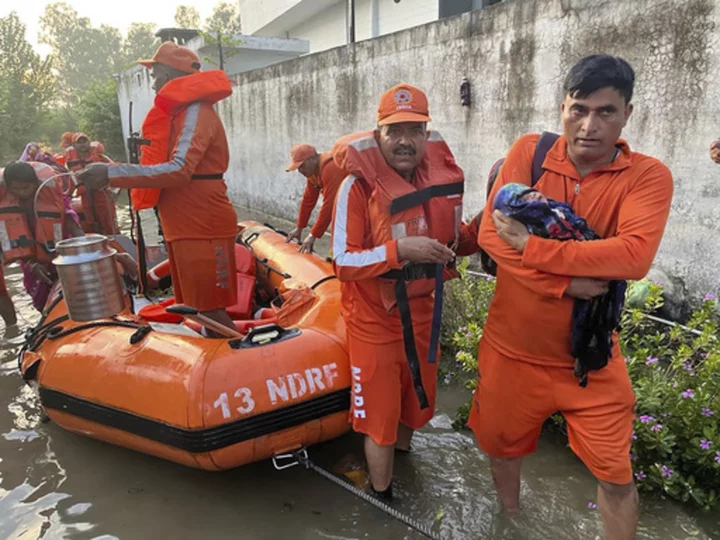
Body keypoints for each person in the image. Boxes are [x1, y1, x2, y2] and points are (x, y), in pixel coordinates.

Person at [469, 55, 673, 540]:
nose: (588, 125)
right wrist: (564, 283)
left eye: (605, 112)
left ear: (627, 114)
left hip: (592, 359)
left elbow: (633, 256)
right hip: (511, 353)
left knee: (617, 475)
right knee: (501, 449)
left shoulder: (647, 176)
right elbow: (489, 236)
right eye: (578, 109)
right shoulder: (530, 153)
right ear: (561, 107)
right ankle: (512, 524)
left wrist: (532, 247)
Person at [331, 83, 479, 499]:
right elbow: (342, 261)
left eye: (414, 130)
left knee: (416, 402)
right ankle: (384, 498)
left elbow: (453, 245)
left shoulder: (438, 183)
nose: (403, 141)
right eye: (393, 131)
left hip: (422, 314)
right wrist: (399, 251)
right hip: (373, 322)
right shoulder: (355, 188)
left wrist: (485, 228)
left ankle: (404, 462)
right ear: (378, 135)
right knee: (379, 417)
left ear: (426, 135)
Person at [77, 41, 239, 334]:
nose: (152, 84)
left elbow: (179, 170)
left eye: (155, 75)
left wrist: (112, 173)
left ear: (170, 75)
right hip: (185, 225)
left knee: (211, 310)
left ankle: (243, 367)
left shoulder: (197, 112)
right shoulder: (180, 114)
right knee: (199, 308)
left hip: (203, 225)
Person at [285, 143, 345, 254]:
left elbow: (330, 206)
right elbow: (308, 200)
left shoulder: (331, 168)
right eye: (298, 168)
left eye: (302, 166)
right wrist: (299, 227)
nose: (300, 171)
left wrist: (313, 235)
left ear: (312, 159)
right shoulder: (313, 173)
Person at [65, 133, 119, 235]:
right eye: (79, 142)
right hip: (86, 199)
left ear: (89, 143)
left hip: (103, 197)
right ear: (74, 145)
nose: (82, 144)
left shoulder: (101, 158)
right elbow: (72, 181)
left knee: (110, 227)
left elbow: (117, 172)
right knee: (92, 226)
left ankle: (117, 247)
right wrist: (67, 196)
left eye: (84, 141)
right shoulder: (71, 162)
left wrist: (115, 192)